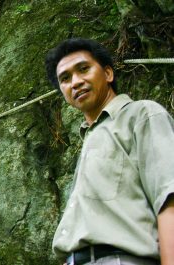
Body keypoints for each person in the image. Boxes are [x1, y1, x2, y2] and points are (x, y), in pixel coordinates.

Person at [45, 38, 174, 265]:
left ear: (107, 74)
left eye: (83, 69)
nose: (75, 82)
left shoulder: (142, 115)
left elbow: (168, 198)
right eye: (65, 78)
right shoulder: (90, 138)